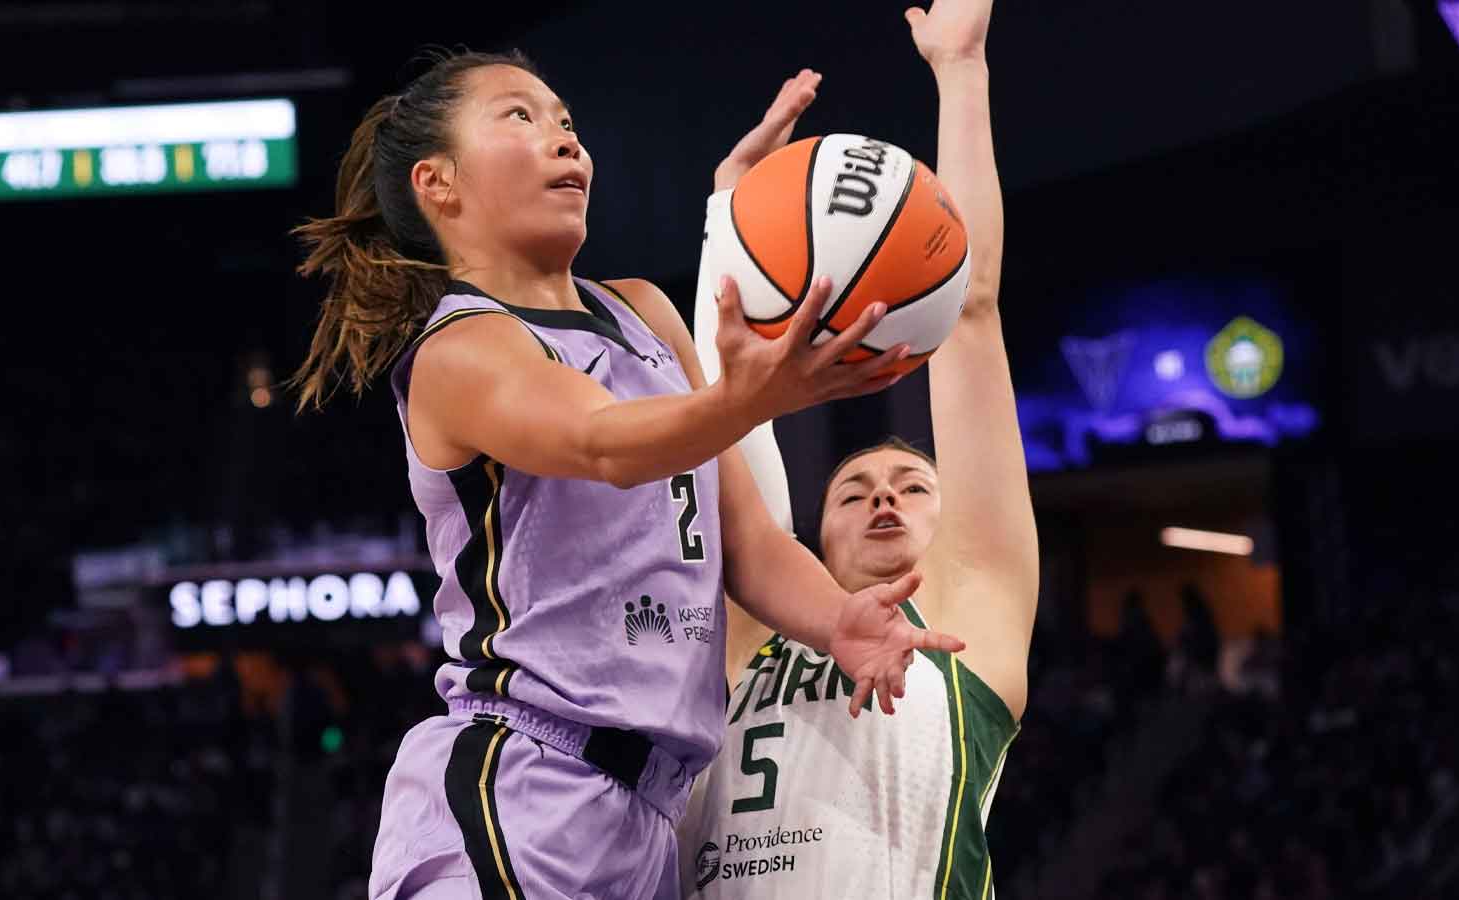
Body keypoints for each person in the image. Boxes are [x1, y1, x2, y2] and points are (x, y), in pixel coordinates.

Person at [289, 50, 966, 900]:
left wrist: (840, 621)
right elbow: (606, 441)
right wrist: (755, 398)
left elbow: (748, 544)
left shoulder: (642, 310)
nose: (563, 140)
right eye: (520, 118)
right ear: (439, 183)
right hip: (523, 786)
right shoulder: (459, 348)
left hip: (647, 816)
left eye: (567, 121)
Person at [677, 2, 1038, 897]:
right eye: (854, 491)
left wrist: (962, 71)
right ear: (813, 540)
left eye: (913, 486)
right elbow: (723, 409)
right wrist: (733, 227)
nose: (882, 496)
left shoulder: (972, 629)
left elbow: (973, 310)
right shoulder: (747, 638)